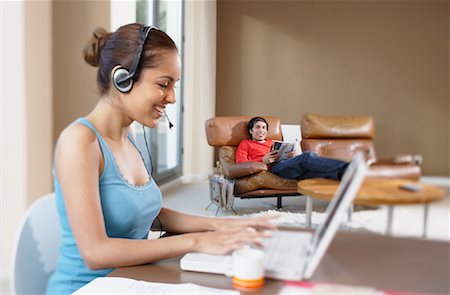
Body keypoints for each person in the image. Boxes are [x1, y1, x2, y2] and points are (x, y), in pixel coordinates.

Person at [46, 24, 276, 294]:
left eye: (174, 85)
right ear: (123, 79)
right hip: (88, 288)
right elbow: (96, 252)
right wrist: (196, 242)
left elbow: (151, 215)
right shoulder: (80, 142)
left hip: (132, 280)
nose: (172, 97)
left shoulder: (129, 135)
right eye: (163, 84)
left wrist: (221, 225)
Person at [235, 117, 349, 180]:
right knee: (307, 156)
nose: (261, 130)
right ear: (251, 131)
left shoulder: (273, 142)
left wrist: (291, 155)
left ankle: (344, 174)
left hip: (286, 164)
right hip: (272, 168)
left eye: (264, 128)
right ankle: (346, 166)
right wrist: (262, 162)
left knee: (312, 171)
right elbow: (241, 164)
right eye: (257, 127)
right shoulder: (245, 144)